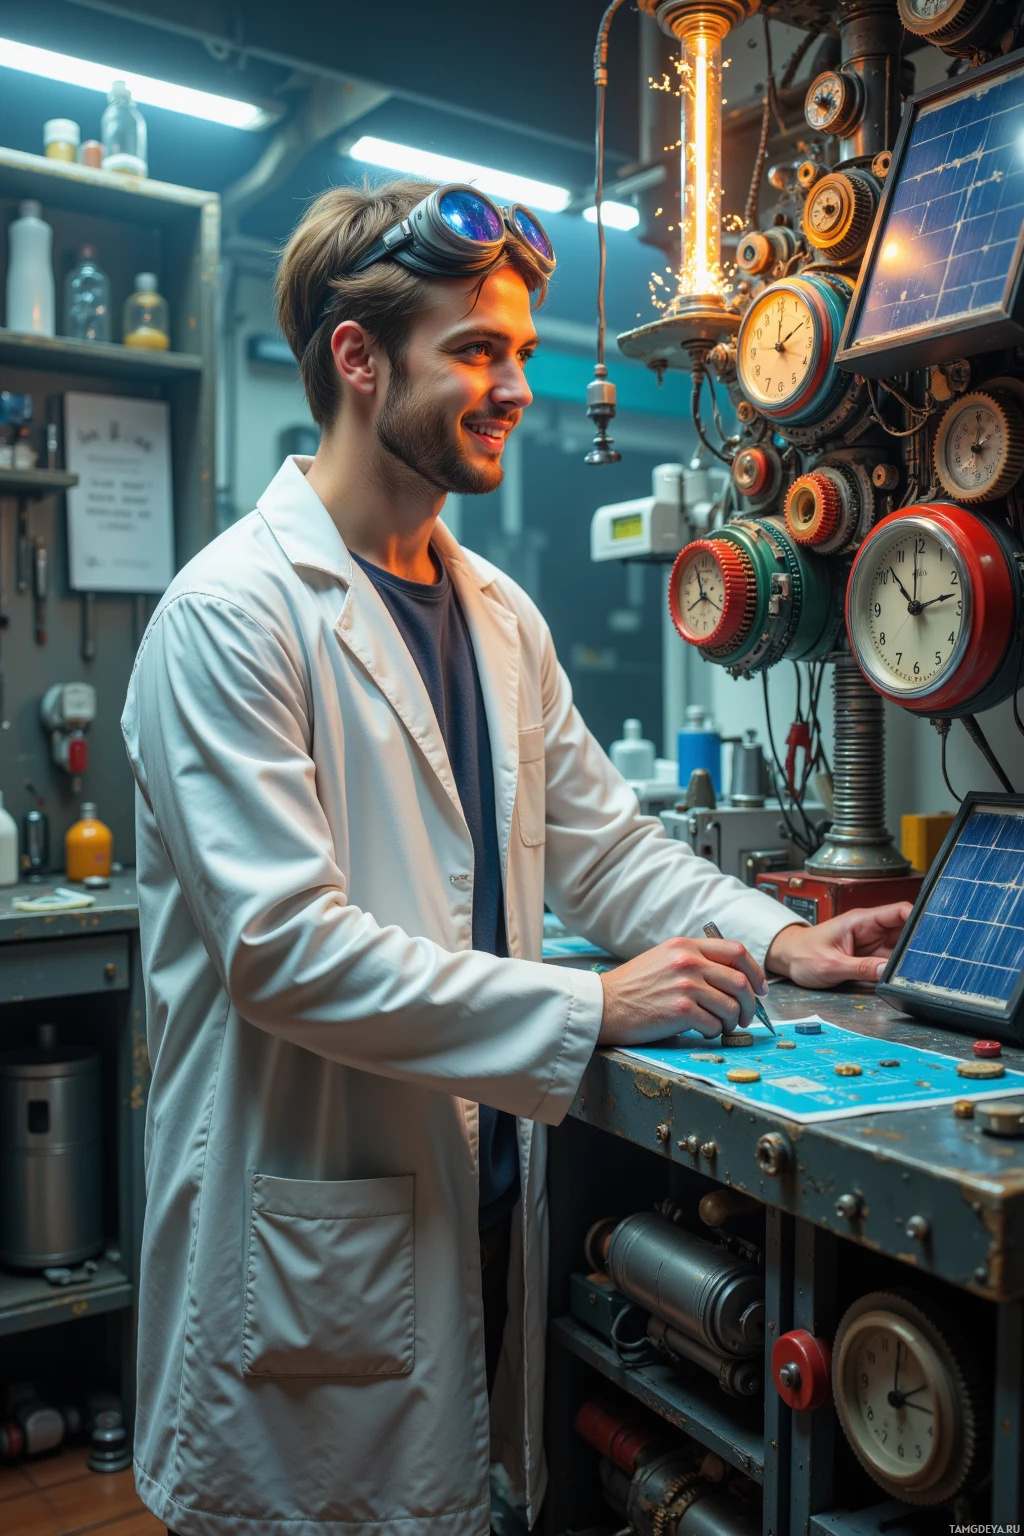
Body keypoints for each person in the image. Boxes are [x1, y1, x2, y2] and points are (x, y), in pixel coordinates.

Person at [121, 178, 910, 1536]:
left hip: (472, 1207)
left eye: (523, 355)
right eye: (477, 352)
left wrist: (782, 940)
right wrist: (595, 1004)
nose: (516, 389)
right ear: (358, 361)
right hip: (305, 1233)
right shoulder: (230, 616)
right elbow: (285, 955)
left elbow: (609, 850)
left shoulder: (498, 615)